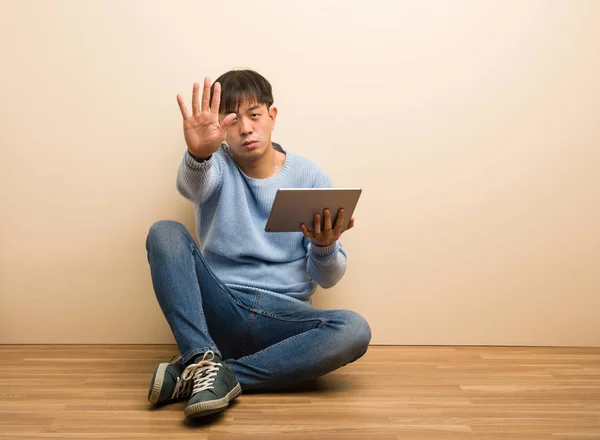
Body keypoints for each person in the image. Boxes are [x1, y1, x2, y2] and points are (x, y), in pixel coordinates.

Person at [145, 69, 371, 420]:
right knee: (164, 232)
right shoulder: (216, 166)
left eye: (254, 116)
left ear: (272, 117)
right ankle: (203, 358)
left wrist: (326, 247)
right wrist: (199, 155)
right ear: (220, 128)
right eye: (231, 120)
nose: (246, 129)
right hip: (221, 307)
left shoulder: (309, 175)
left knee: (354, 329)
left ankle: (219, 374)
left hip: (282, 320)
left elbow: (327, 278)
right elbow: (192, 188)